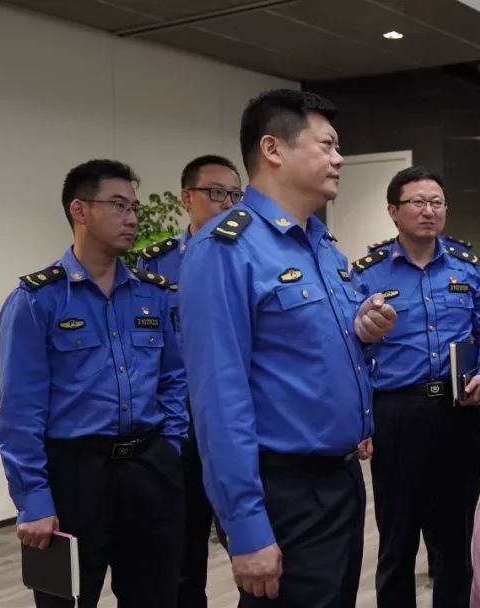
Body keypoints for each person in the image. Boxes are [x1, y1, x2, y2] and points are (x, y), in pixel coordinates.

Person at [178, 89, 397, 607]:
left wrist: (361, 334)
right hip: (283, 491)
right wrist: (246, 527)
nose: (339, 158)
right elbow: (218, 402)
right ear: (273, 149)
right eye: (328, 145)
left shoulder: (321, 245)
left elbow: (311, 355)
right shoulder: (225, 250)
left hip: (340, 480)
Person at [0, 159, 188, 607]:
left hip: (150, 469)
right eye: (118, 205)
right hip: (74, 475)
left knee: (157, 597)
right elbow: (20, 411)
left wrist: (171, 445)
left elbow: (174, 379)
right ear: (79, 211)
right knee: (65, 600)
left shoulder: (152, 292)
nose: (133, 218)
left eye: (135, 207)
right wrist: (34, 499)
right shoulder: (37, 300)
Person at [351, 166, 480, 608]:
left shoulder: (465, 267)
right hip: (398, 414)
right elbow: (351, 351)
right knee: (397, 538)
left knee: (455, 537)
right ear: (393, 211)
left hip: (458, 412)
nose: (428, 211)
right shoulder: (369, 273)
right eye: (417, 202)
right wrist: (360, 419)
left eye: (436, 202)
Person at [138, 154, 244, 608]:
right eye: (216, 193)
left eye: (235, 195)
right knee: (183, 560)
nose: (227, 204)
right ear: (187, 198)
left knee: (252, 548)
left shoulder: (252, 258)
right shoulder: (158, 265)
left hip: (240, 428)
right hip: (181, 434)